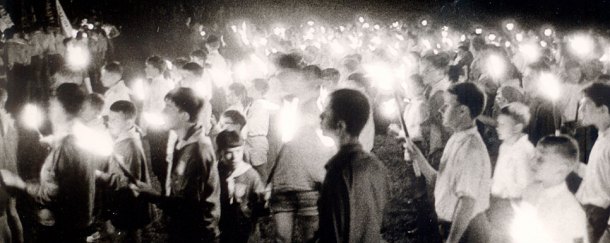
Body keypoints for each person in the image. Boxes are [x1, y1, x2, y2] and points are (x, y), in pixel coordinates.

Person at [1, 83, 97, 242]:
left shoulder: (65, 148)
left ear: (60, 108)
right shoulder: (83, 133)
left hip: (64, 223)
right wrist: (54, 141)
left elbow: (48, 195)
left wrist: (19, 183)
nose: (50, 110)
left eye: (52, 105)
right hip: (81, 214)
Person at [406, 82, 491, 243]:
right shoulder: (457, 137)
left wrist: (452, 240)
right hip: (454, 227)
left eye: (447, 105)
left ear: (462, 111)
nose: (441, 110)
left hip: (467, 231)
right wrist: (417, 156)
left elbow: (467, 202)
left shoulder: (470, 149)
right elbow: (440, 181)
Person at [132, 87, 221, 242]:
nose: (162, 112)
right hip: (184, 226)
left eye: (169, 108)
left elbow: (189, 206)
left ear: (185, 116)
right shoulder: (183, 141)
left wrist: (154, 196)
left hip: (196, 233)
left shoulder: (197, 151)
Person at [268, 69, 336, 243]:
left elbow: (333, 151)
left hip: (311, 186)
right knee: (281, 239)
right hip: (284, 184)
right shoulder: (287, 114)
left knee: (311, 238)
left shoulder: (326, 121)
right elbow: (276, 147)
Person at [317, 89, 388, 243]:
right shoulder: (376, 165)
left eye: (326, 111)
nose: (320, 116)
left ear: (340, 125)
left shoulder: (340, 169)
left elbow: (337, 231)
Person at [95, 101, 152, 242]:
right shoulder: (123, 140)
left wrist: (99, 175)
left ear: (128, 123)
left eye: (115, 120)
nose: (110, 123)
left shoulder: (129, 146)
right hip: (126, 205)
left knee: (126, 236)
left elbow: (129, 183)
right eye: (109, 118)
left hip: (128, 207)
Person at [519, 135, 588, 243]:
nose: (532, 163)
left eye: (540, 159)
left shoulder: (572, 211)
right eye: (534, 156)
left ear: (561, 170)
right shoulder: (530, 192)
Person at [488, 102, 535, 243]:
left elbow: (524, 187)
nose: (497, 128)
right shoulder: (505, 146)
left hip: (513, 208)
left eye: (503, 124)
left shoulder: (523, 150)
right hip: (499, 205)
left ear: (517, 128)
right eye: (498, 123)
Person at [216, 130, 265, 243]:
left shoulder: (250, 175)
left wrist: (264, 200)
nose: (234, 157)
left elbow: (260, 209)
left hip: (244, 231)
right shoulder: (215, 172)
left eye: (238, 151)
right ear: (220, 152)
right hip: (220, 229)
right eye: (229, 152)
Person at [576, 83, 610, 243]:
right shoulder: (602, 134)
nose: (580, 110)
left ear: (603, 109)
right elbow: (599, 175)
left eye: (586, 105)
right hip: (590, 211)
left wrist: (608, 232)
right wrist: (575, 166)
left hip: (599, 216)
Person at [0, 88, 24, 243]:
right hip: (11, 172)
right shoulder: (10, 120)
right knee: (12, 212)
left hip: (2, 175)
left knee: (1, 221)